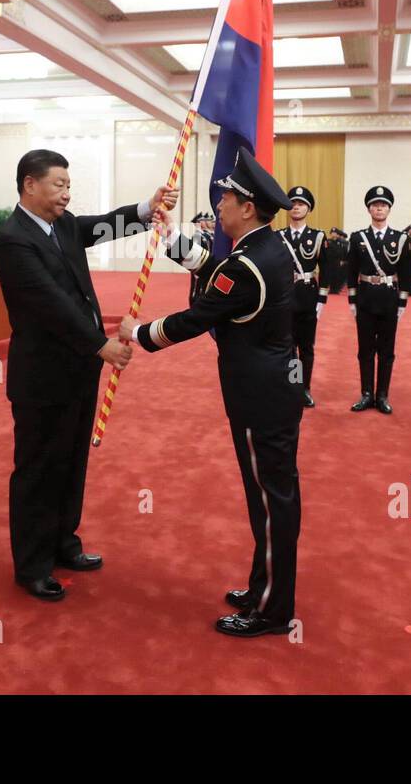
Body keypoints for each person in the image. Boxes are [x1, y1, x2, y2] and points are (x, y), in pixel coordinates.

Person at [121, 146, 301, 638]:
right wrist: (171, 235)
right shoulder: (267, 247)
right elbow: (212, 273)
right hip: (276, 389)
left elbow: (196, 318)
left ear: (247, 208)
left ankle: (270, 610)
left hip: (259, 398)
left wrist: (137, 333)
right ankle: (265, 585)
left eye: (225, 197)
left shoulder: (245, 265)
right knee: (272, 496)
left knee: (270, 500)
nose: (218, 204)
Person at [0, 149, 176, 602]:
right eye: (58, 185)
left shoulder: (63, 224)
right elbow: (50, 304)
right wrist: (101, 345)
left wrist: (146, 208)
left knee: (72, 461)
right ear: (29, 184)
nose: (66, 193)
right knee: (38, 468)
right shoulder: (14, 240)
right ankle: (32, 565)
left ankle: (63, 544)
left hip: (78, 371)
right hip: (42, 376)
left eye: (68, 186)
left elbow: (105, 224)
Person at [347, 185, 411, 415]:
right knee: (365, 350)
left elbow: (407, 272)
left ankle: (383, 395)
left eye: (383, 205)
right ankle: (367, 393)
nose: (379, 208)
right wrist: (353, 300)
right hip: (366, 298)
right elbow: (351, 271)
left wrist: (403, 301)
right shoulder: (358, 238)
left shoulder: (401, 239)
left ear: (389, 209)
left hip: (389, 299)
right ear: (369, 209)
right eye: (375, 205)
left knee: (387, 351)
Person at [278, 186, 328, 408]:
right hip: (285, 297)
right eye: (293, 203)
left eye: (301, 204)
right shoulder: (278, 236)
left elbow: (326, 270)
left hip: (308, 296)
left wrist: (321, 300)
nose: (296, 207)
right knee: (288, 347)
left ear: (309, 209)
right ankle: (293, 387)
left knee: (306, 347)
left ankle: (305, 388)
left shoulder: (317, 237)